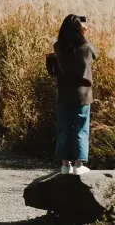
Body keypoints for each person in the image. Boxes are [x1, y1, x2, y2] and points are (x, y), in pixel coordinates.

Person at [48, 14, 96, 175]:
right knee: (81, 128)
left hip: (64, 93)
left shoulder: (58, 46)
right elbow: (95, 54)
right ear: (79, 29)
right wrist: (84, 35)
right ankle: (78, 164)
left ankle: (65, 165)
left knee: (64, 128)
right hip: (82, 94)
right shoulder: (85, 47)